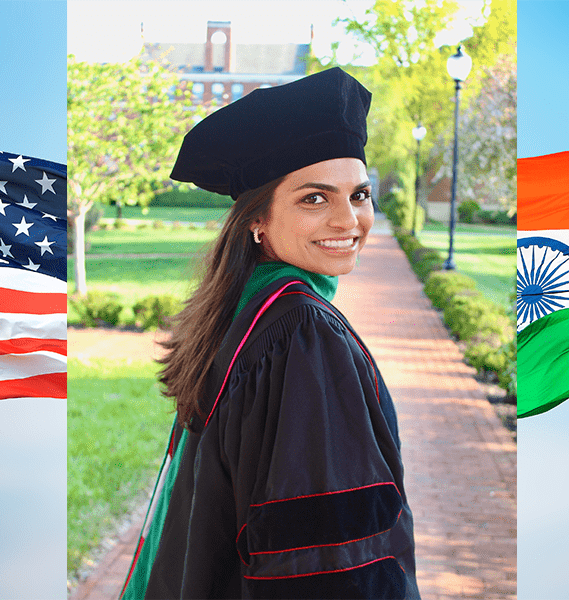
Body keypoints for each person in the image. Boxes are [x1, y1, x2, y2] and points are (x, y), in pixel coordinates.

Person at [120, 67, 419, 599]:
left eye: (359, 195)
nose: (348, 220)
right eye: (314, 198)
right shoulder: (304, 336)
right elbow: (326, 561)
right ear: (257, 220)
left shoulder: (245, 304)